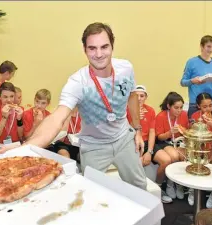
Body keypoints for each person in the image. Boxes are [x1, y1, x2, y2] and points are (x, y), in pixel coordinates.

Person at [10, 22, 147, 190]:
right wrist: (24, 149)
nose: (98, 54)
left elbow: (132, 95)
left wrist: (137, 129)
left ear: (112, 46)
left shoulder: (126, 68)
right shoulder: (77, 82)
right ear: (84, 50)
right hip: (94, 146)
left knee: (139, 186)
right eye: (92, 48)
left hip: (124, 138)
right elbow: (57, 118)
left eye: (104, 47)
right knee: (90, 192)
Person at [155, 92, 189, 203]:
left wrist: (184, 132)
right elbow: (159, 137)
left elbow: (187, 130)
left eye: (181, 107)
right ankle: (170, 184)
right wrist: (170, 133)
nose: (179, 110)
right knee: (174, 156)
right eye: (176, 108)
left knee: (183, 157)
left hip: (179, 142)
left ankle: (178, 184)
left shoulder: (184, 114)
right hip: (165, 142)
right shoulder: (161, 116)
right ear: (169, 106)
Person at [180, 35, 212, 118]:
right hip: (195, 104)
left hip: (210, 103)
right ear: (201, 46)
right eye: (208, 46)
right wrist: (192, 81)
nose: (211, 49)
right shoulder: (191, 62)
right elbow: (183, 82)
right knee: (194, 129)